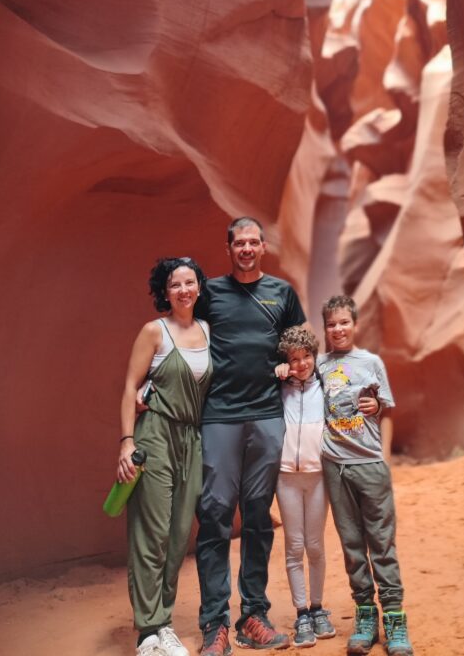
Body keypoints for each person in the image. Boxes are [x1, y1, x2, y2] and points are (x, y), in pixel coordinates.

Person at [196, 217, 306, 655]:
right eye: (238, 242)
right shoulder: (210, 294)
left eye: (252, 242)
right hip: (220, 415)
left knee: (259, 515)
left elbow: (301, 348)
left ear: (264, 246)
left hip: (266, 414)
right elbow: (183, 340)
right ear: (228, 249)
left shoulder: (281, 293)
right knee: (215, 512)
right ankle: (214, 623)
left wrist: (295, 365)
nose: (246, 248)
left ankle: (253, 615)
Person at [118, 257, 212, 656]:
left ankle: (164, 623)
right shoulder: (153, 332)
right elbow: (129, 389)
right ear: (165, 291)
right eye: (175, 285)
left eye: (190, 283)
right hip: (155, 435)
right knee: (151, 534)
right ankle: (148, 632)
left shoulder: (209, 331)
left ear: (199, 288)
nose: (184, 290)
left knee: (177, 537)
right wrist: (126, 442)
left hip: (192, 440)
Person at [318, 295, 414, 656]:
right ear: (324, 328)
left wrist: (384, 460)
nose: (338, 329)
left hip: (370, 464)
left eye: (344, 322)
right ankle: (365, 616)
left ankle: (394, 619)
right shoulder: (320, 365)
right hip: (335, 466)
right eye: (331, 324)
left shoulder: (371, 362)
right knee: (352, 546)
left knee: (382, 544)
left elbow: (386, 408)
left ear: (354, 325)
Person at [273, 326, 336, 648]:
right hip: (286, 478)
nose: (300, 364)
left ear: (314, 355)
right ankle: (301, 614)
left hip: (317, 477)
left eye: (306, 356)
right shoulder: (278, 389)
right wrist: (276, 374)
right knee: (294, 547)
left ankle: (317, 607)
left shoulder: (324, 387)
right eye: (293, 359)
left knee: (315, 545)